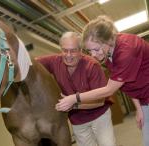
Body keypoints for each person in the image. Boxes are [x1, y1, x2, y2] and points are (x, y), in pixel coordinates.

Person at [55, 15, 149, 146]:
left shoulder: (126, 51)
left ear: (108, 40)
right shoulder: (111, 50)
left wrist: (75, 98)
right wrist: (139, 108)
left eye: (96, 49)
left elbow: (109, 90)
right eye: (89, 50)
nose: (93, 54)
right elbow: (130, 83)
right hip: (145, 99)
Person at [37, 32, 116, 146]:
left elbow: (99, 102)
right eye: (65, 50)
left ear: (80, 51)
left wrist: (73, 104)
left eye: (73, 50)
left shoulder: (92, 66)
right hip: (78, 120)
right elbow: (31, 63)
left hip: (99, 115)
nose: (68, 55)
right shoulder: (54, 61)